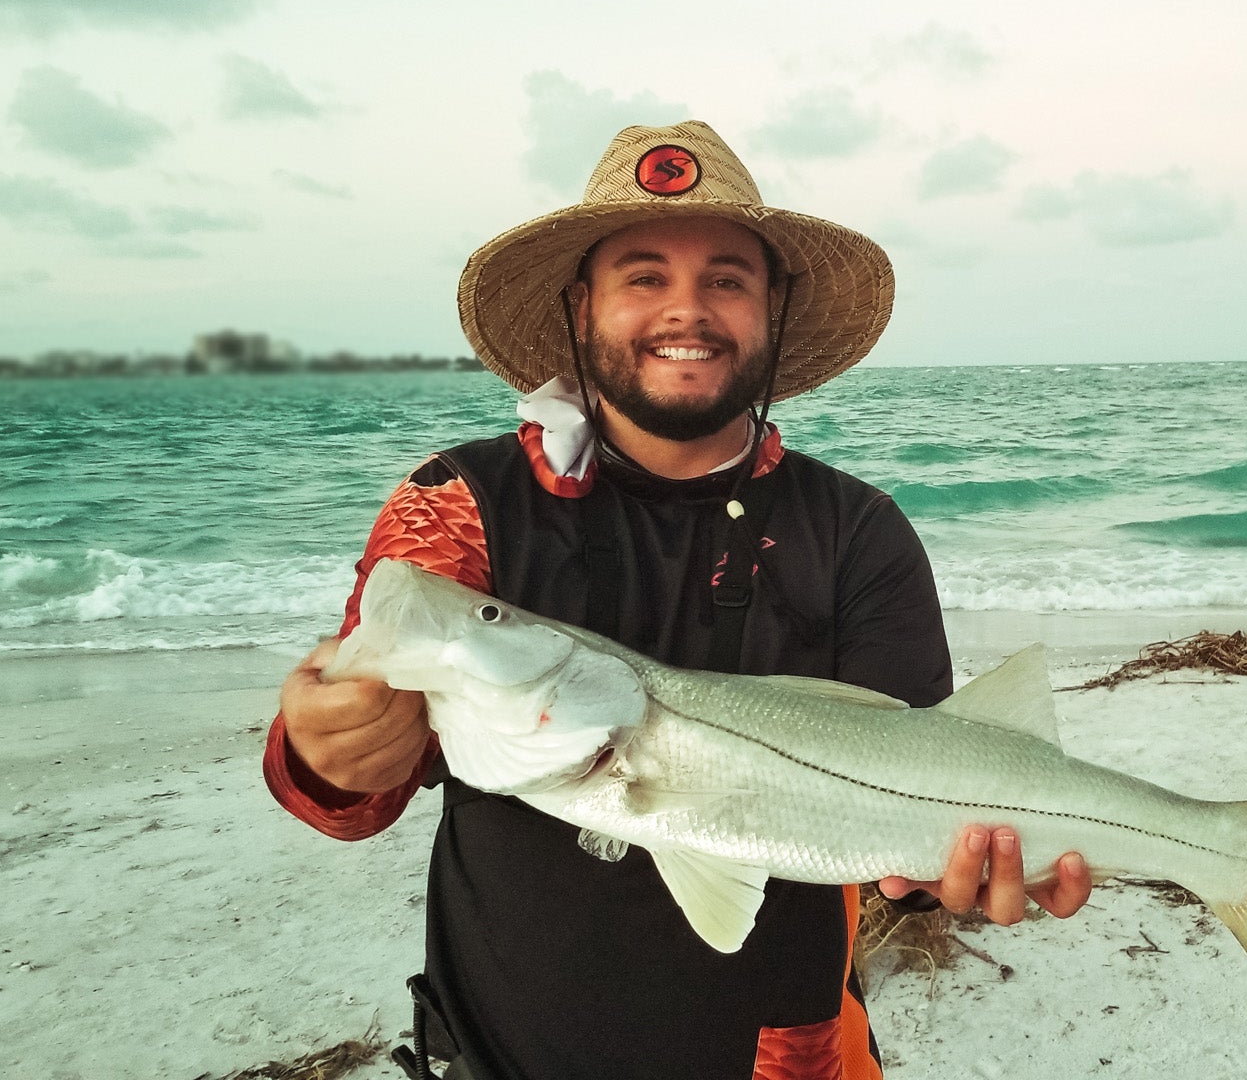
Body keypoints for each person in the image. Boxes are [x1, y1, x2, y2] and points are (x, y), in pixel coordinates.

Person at [264, 121, 1092, 1079]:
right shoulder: (460, 505)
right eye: (644, 276)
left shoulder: (858, 530)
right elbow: (351, 803)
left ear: (772, 310)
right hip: (501, 1050)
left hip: (787, 1057)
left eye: (727, 280)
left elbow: (908, 831)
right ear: (584, 305)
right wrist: (328, 753)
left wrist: (939, 884)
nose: (685, 311)